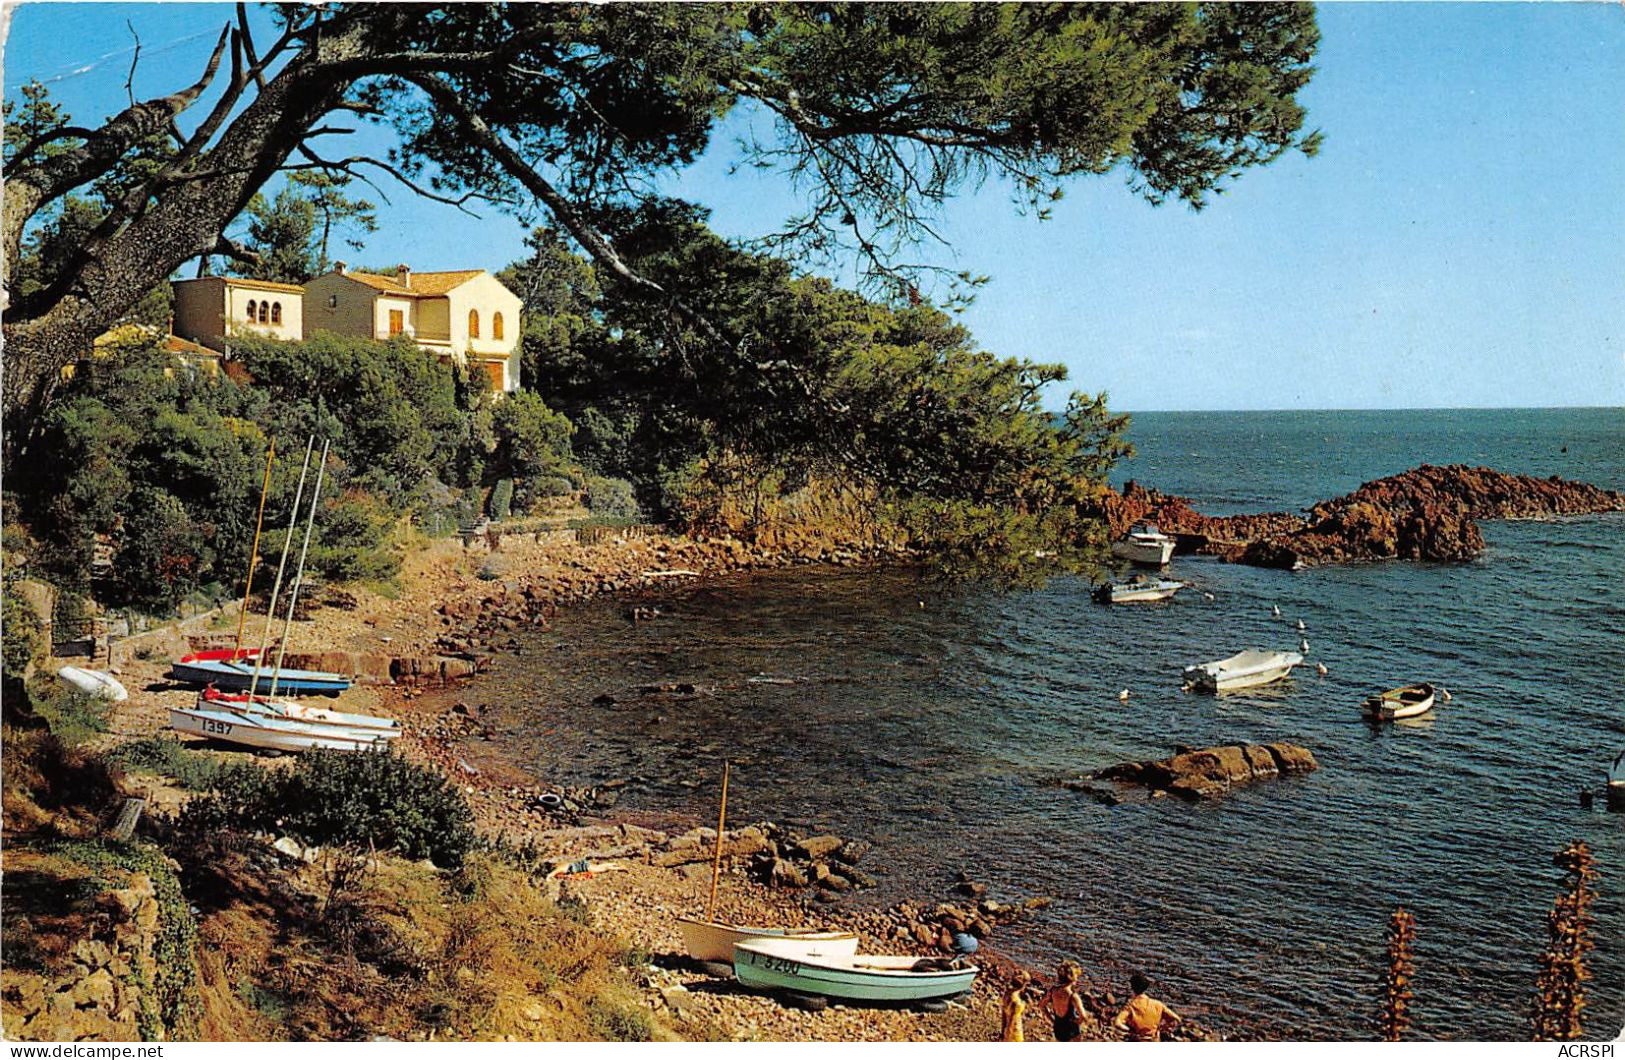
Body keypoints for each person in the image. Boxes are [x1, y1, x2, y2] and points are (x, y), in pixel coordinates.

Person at [1113, 972, 1182, 1042]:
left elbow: (1117, 1022)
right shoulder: (1158, 1004)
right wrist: (1163, 1027)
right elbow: (1177, 1019)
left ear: (1132, 988)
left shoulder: (1131, 1005)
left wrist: (1128, 1030)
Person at [1041, 962, 1088, 1042]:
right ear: (1073, 978)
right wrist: (1077, 1022)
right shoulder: (1073, 996)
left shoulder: (1053, 991)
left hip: (1058, 1027)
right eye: (1077, 976)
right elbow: (1083, 1016)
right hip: (1071, 1030)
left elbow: (1041, 1006)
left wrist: (1052, 1020)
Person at [1000, 970, 1032, 1042]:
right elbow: (1011, 1023)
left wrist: (1002, 1032)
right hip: (1015, 1033)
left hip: (1007, 1030)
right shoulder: (1016, 1002)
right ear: (1024, 984)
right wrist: (1007, 1037)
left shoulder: (1007, 994)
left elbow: (1003, 1015)